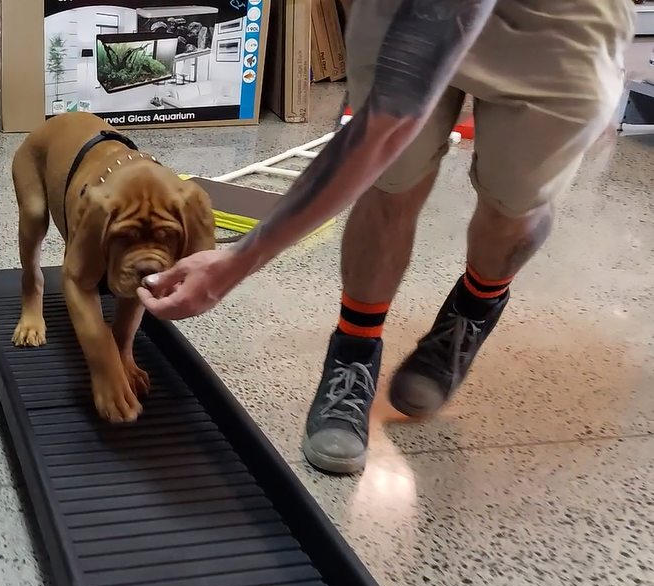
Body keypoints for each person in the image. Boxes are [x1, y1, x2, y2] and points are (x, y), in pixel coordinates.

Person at [137, 0, 634, 475]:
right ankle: (354, 351)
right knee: (391, 181)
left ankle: (473, 309)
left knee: (514, 204)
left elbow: (388, 125)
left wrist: (234, 264)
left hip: (556, 23)